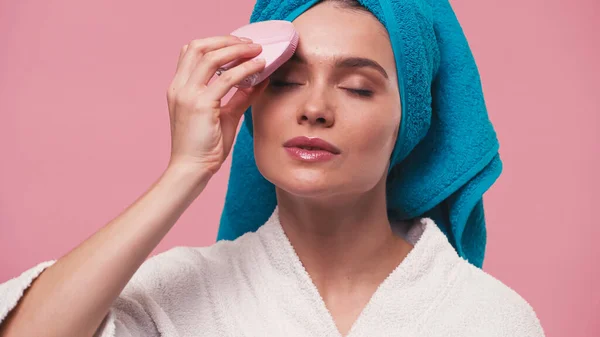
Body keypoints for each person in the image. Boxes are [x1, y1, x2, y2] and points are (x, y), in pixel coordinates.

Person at [0, 0, 545, 336]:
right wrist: (187, 169)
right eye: (284, 81)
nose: (314, 107)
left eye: (357, 87)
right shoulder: (176, 297)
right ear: (253, 102)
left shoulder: (490, 319)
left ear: (411, 119)